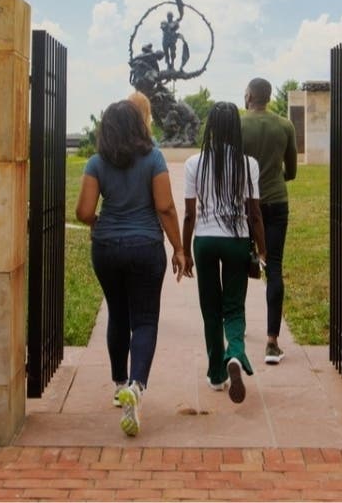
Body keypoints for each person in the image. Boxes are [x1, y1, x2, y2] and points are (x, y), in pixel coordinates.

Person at [75, 100, 189, 437]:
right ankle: (137, 386)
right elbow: (165, 207)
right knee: (145, 320)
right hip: (145, 247)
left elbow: (83, 212)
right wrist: (179, 248)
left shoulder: (96, 163)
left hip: (107, 248)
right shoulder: (153, 158)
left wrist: (100, 221)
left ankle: (119, 384)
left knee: (118, 314)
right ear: (139, 125)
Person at [182, 101, 266, 403]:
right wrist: (263, 251)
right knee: (234, 307)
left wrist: (184, 252)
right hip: (236, 241)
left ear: (211, 128)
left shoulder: (194, 163)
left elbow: (189, 214)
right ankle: (236, 354)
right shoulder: (248, 163)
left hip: (205, 242)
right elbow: (254, 213)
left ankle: (216, 375)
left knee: (211, 309)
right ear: (236, 129)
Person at [240, 77, 298, 365]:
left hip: (245, 205)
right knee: (274, 267)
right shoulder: (285, 125)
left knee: (239, 264)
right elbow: (292, 171)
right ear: (269, 96)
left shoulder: (238, 125)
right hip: (276, 202)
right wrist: (274, 177)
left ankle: (237, 326)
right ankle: (272, 342)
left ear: (249, 96)